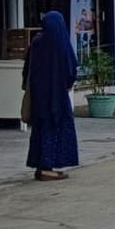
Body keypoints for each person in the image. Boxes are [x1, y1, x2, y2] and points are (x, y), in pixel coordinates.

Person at [23, 11, 80, 181]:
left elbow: (27, 70)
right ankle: (47, 168)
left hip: (39, 97)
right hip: (57, 97)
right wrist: (67, 85)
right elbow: (71, 69)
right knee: (54, 129)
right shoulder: (61, 44)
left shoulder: (37, 43)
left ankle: (40, 165)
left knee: (40, 130)